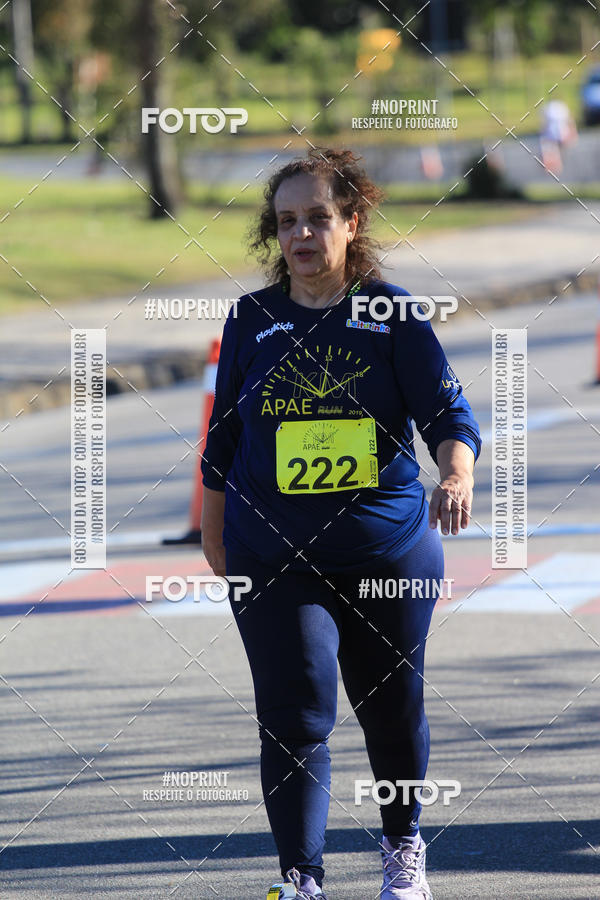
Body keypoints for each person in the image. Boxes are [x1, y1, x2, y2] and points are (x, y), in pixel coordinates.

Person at [200, 148, 481, 900]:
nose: (301, 235)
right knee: (295, 712)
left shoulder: (392, 315)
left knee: (390, 710)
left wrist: (456, 471)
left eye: (318, 218)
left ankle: (402, 852)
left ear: (351, 224)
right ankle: (301, 879)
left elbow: (449, 415)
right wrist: (213, 529)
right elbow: (224, 437)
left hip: (386, 554)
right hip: (275, 555)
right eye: (287, 221)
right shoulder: (251, 318)